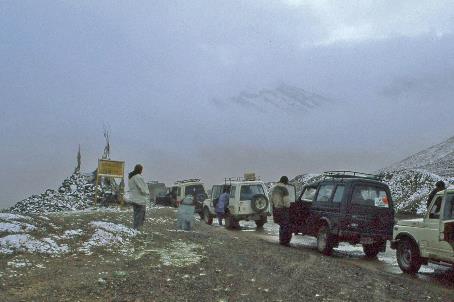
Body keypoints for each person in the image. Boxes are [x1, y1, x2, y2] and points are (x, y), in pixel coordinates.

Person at [270, 176, 291, 246]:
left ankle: (281, 240)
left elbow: (271, 199)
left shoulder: (274, 188)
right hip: (283, 209)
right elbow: (286, 202)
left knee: (281, 225)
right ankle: (284, 242)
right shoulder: (284, 189)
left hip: (276, 209)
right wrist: (288, 206)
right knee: (285, 225)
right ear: (285, 182)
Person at [128, 164, 150, 230]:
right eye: (141, 170)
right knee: (140, 216)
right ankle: (137, 229)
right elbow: (143, 189)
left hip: (134, 199)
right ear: (140, 170)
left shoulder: (131, 177)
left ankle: (135, 228)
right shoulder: (138, 177)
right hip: (140, 200)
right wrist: (147, 192)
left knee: (136, 215)